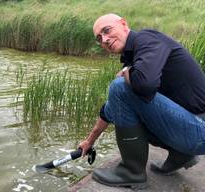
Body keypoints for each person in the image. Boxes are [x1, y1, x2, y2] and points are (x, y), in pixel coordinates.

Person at [78, 13, 205, 189]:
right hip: (191, 128)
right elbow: (111, 108)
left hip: (200, 129)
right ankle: (181, 154)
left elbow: (145, 84)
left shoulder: (147, 39)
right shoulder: (135, 57)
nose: (104, 40)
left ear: (123, 24)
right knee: (122, 90)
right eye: (99, 39)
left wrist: (127, 73)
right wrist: (89, 141)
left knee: (119, 87)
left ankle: (131, 172)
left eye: (107, 30)